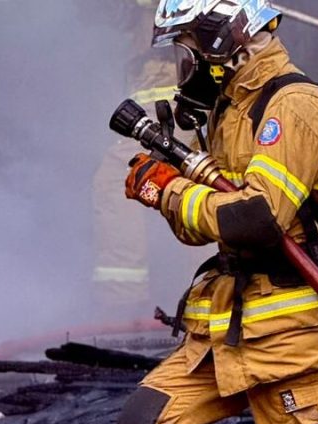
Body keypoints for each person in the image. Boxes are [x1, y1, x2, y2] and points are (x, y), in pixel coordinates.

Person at [111, 1, 318, 424]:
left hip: (295, 332)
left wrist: (170, 192)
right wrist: (168, 187)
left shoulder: (294, 106)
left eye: (191, 46)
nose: (188, 62)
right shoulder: (232, 110)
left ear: (224, 40)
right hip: (233, 324)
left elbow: (256, 220)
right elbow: (206, 227)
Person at [92, 0, 188, 314]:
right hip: (166, 70)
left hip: (168, 76)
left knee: (119, 180)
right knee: (196, 185)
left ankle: (123, 307)